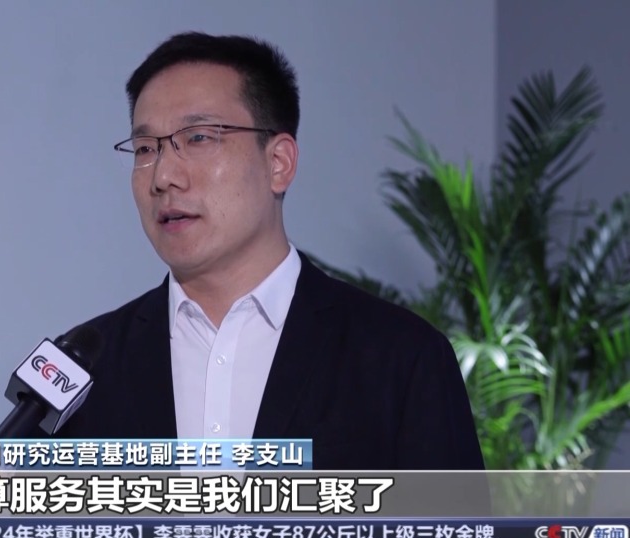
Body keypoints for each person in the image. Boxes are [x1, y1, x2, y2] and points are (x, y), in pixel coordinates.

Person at [53, 31, 485, 470]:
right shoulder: (85, 369)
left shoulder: (401, 358)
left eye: (198, 138)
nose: (163, 176)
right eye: (146, 148)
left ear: (278, 163)